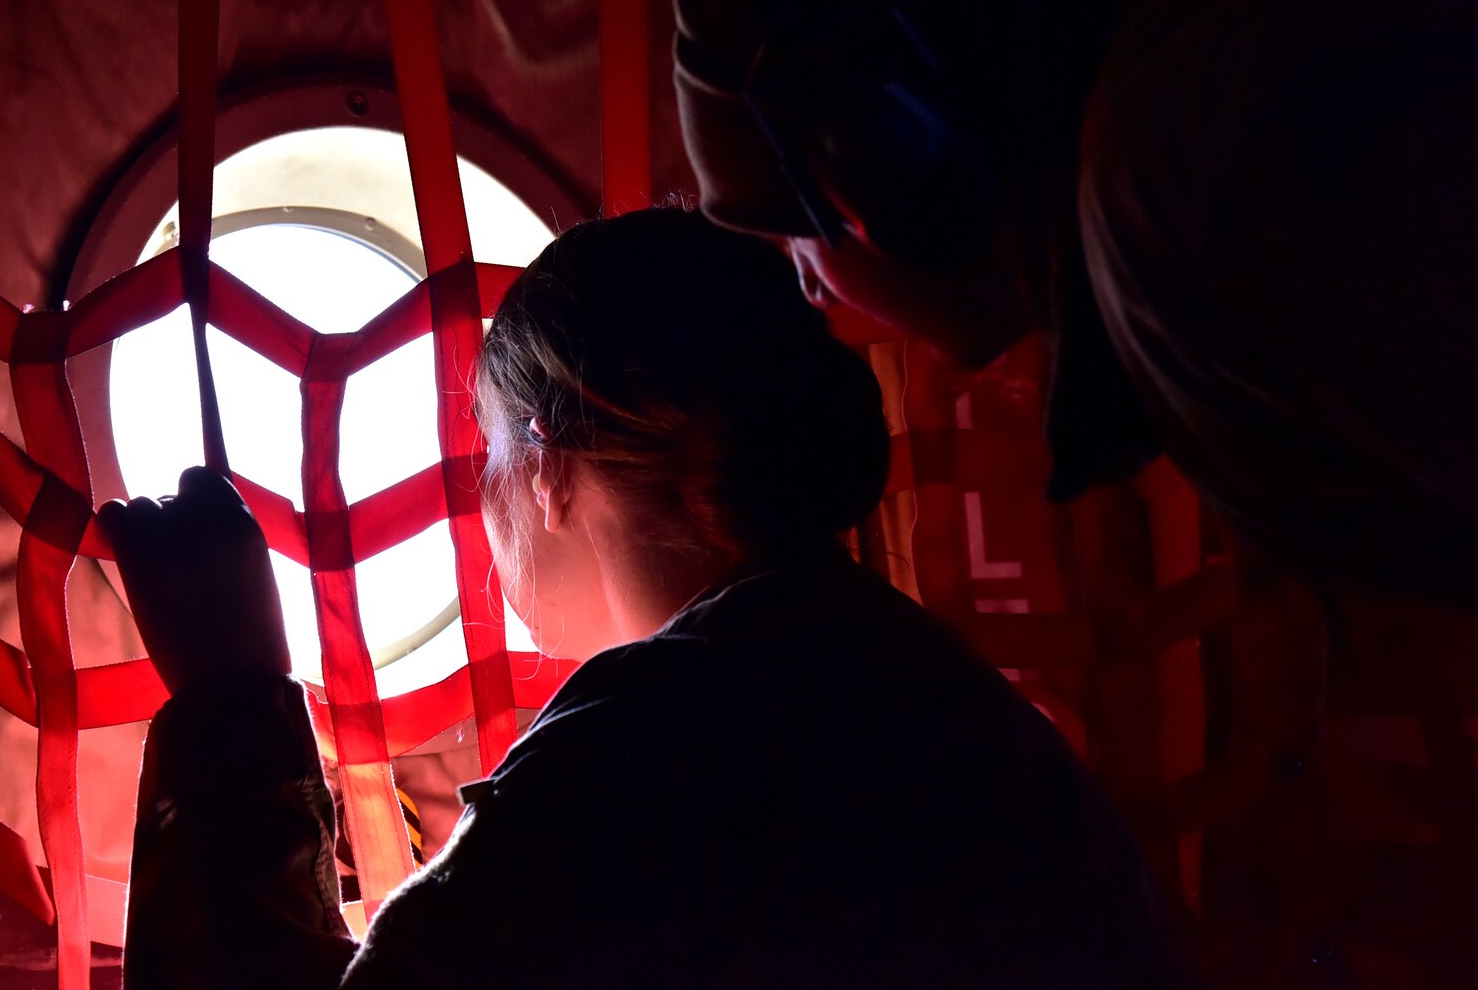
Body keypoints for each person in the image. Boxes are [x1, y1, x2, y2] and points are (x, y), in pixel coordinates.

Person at [104, 208, 1187, 988]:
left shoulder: (642, 749)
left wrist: (230, 697)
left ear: (545, 468)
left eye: (486, 445)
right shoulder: (915, 685)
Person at [671, 0, 1478, 604]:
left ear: (898, 156)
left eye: (801, 235)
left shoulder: (1183, 197)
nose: (812, 288)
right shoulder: (1219, 14)